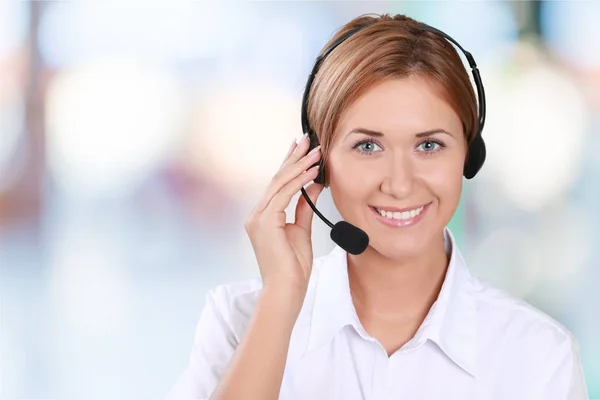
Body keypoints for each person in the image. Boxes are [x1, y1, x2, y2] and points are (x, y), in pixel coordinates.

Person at [166, 14, 589, 400]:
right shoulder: (237, 320)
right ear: (317, 161)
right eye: (368, 146)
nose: (400, 184)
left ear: (469, 155)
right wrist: (281, 299)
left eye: (429, 145)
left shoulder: (538, 355)